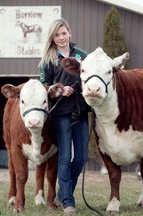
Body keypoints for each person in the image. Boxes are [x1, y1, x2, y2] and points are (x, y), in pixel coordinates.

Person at [38, 18, 90, 215]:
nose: (61, 38)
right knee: (65, 156)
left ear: (70, 33)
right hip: (60, 114)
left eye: (63, 33)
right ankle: (68, 202)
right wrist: (59, 89)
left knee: (81, 158)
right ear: (53, 38)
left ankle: (61, 193)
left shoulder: (82, 56)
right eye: (57, 35)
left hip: (81, 111)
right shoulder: (48, 60)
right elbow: (44, 86)